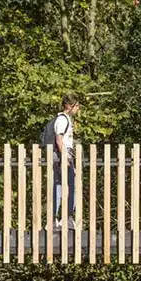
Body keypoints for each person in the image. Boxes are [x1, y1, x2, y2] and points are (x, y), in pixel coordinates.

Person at [43, 93, 81, 227]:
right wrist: (65, 157)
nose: (78, 108)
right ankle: (65, 218)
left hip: (62, 155)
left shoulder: (65, 119)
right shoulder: (63, 120)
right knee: (70, 186)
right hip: (62, 156)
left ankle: (58, 217)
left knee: (61, 186)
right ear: (69, 106)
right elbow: (59, 140)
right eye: (76, 106)